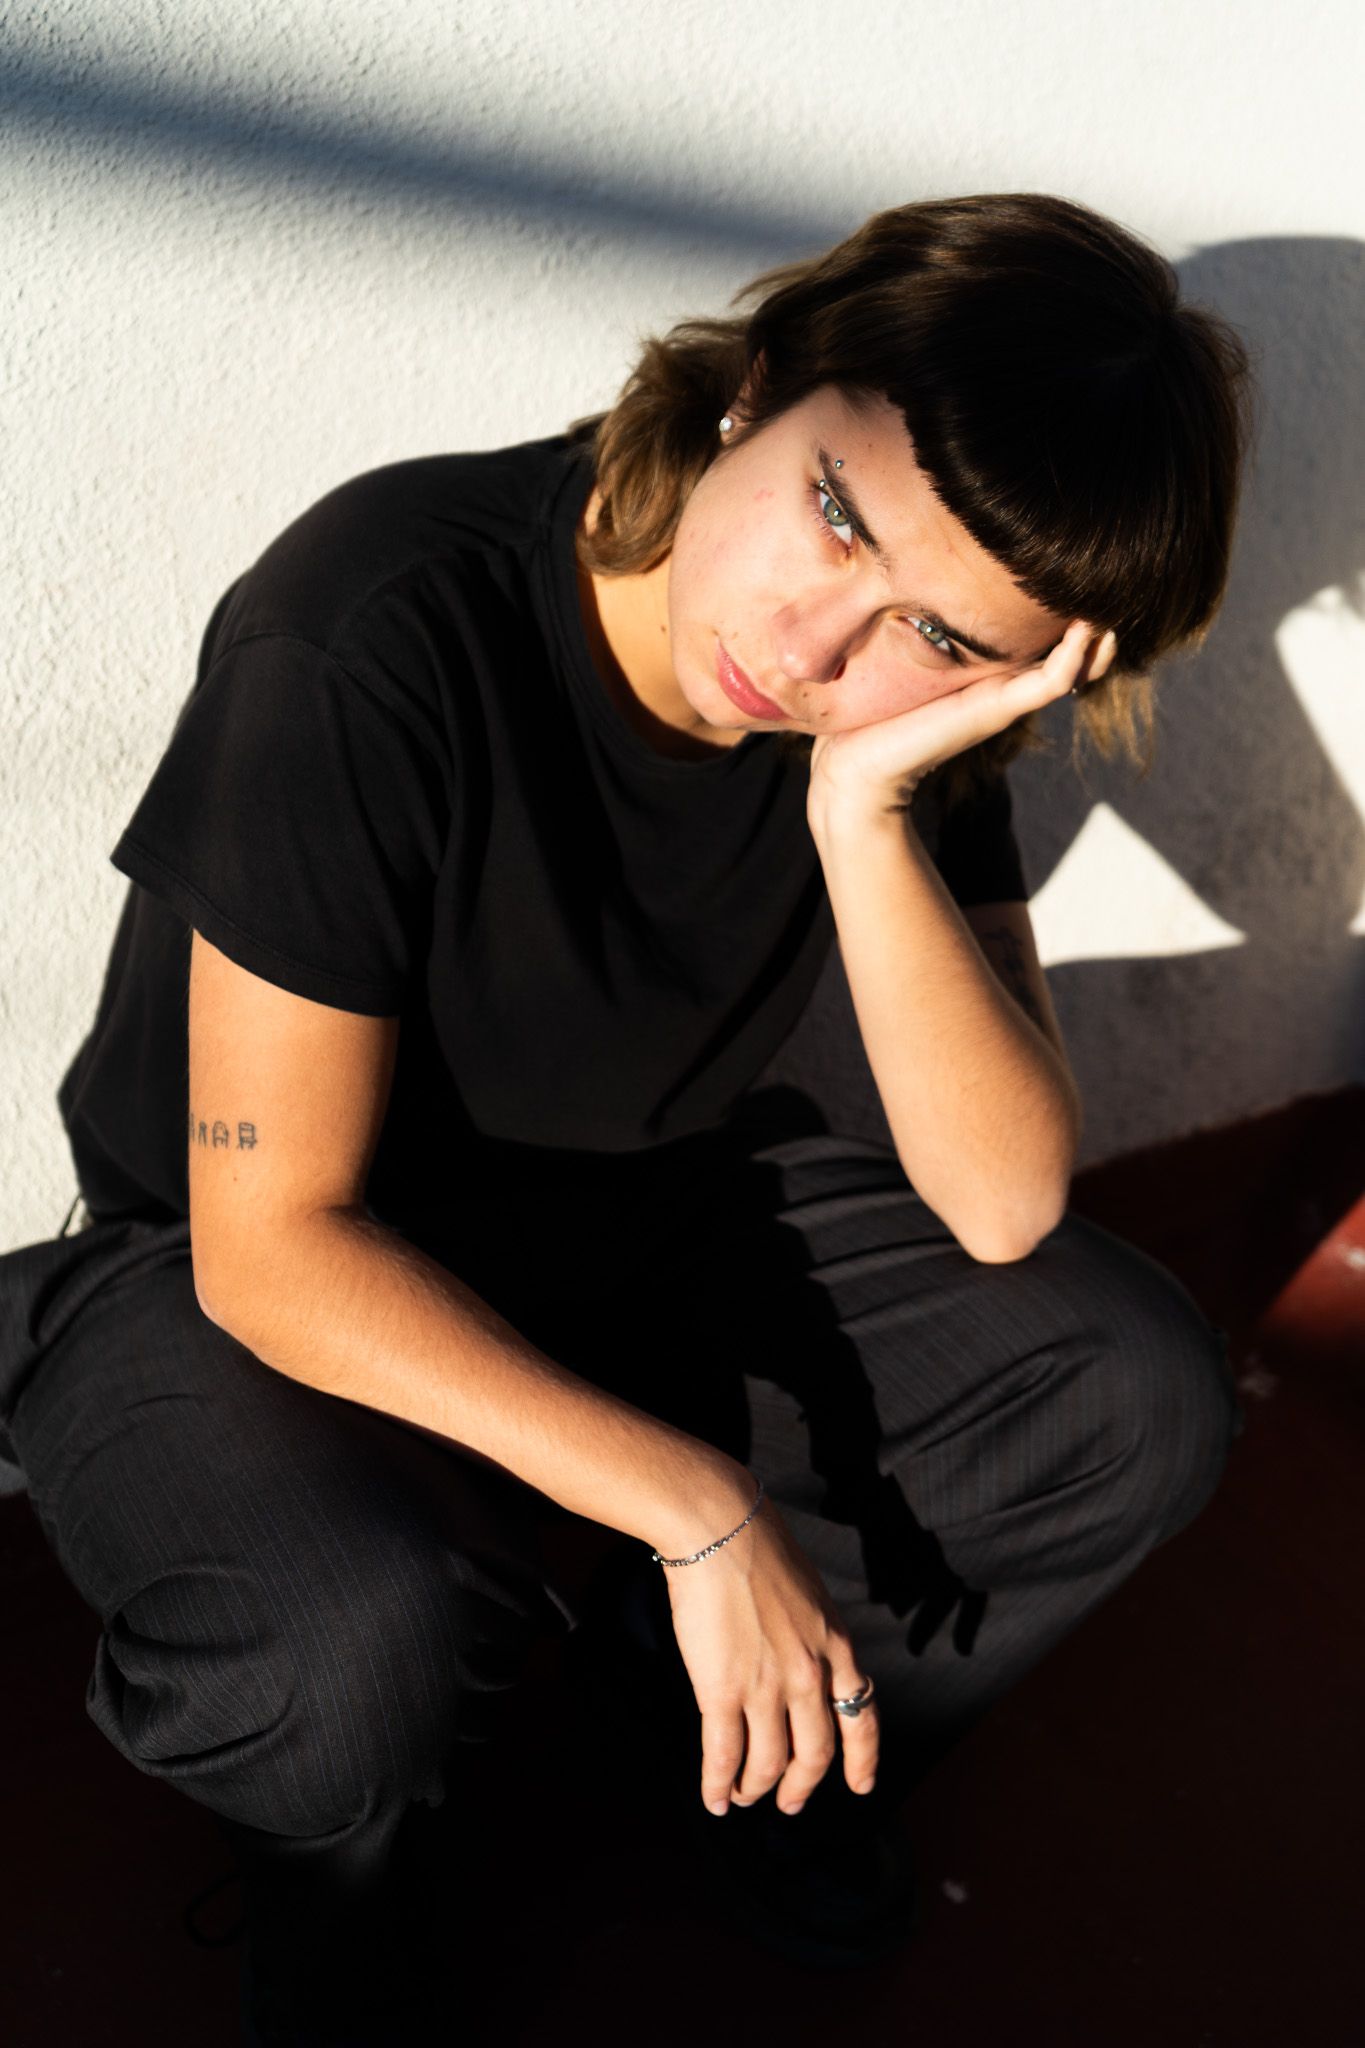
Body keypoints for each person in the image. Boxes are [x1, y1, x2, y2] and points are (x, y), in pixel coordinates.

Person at [0, 192, 1253, 2042]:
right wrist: (697, 1509)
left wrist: (864, 816)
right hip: (237, 1274)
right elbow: (271, 1248)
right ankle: (343, 1891)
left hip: (639, 1213)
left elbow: (1000, 1203)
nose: (816, 647)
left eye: (933, 632)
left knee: (1127, 1390)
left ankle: (742, 1745)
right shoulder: (379, 619)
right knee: (345, 1649)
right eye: (836, 513)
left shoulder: (889, 722)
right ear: (761, 382)